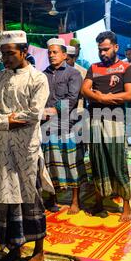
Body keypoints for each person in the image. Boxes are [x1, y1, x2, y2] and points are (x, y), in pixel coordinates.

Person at [0, 30, 54, 261]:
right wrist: (6, 121)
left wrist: (3, 118)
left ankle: (39, 251)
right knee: (5, 199)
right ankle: (14, 247)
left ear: (24, 51)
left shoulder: (38, 78)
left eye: (10, 54)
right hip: (2, 148)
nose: (6, 59)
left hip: (26, 149)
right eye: (3, 54)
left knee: (30, 198)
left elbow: (34, 113)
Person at [81, 31, 131, 222]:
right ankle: (99, 202)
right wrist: (100, 97)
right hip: (95, 118)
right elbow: (85, 89)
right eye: (100, 50)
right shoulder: (93, 67)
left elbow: (129, 95)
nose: (103, 53)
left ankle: (126, 206)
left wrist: (104, 97)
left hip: (115, 120)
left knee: (117, 161)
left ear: (115, 47)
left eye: (106, 49)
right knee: (97, 161)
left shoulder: (126, 68)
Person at [42, 38, 87, 215]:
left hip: (69, 124)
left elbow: (72, 98)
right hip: (47, 124)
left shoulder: (73, 74)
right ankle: (51, 197)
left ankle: (75, 200)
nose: (51, 55)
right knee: (49, 162)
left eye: (55, 52)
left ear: (64, 54)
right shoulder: (43, 74)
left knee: (72, 163)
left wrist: (53, 109)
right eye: (49, 52)